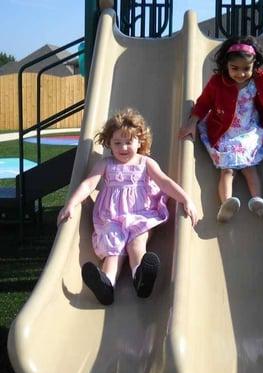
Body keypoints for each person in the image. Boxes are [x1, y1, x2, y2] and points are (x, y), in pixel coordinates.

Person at [57, 108, 198, 305]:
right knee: (113, 251)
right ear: (109, 143)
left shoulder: (146, 162)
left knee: (136, 245)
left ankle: (140, 277)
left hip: (140, 215)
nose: (123, 147)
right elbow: (89, 184)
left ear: (140, 141)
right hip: (112, 217)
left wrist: (185, 199)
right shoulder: (106, 164)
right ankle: (106, 285)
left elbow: (164, 182)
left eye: (129, 142)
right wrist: (71, 203)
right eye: (117, 143)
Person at [178, 35, 263, 222]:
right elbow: (203, 103)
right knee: (227, 169)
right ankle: (226, 204)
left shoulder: (261, 79)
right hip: (224, 132)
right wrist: (192, 122)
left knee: (250, 168)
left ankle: (257, 200)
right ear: (226, 65)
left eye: (246, 69)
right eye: (234, 68)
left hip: (248, 131)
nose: (240, 73)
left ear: (254, 65)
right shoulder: (217, 82)